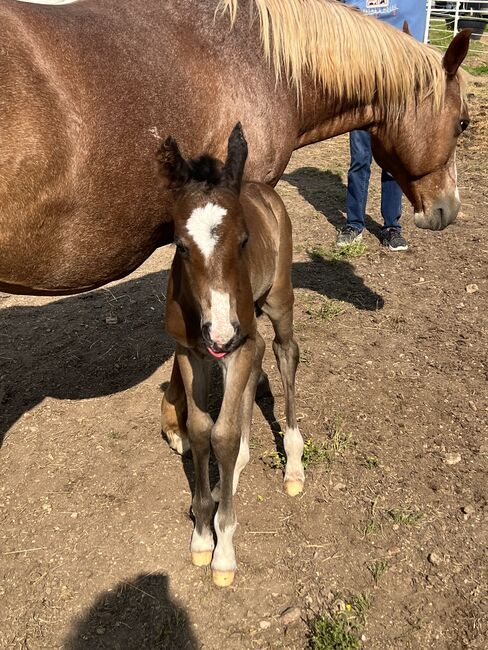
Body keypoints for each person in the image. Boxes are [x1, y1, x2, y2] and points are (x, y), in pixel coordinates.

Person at [336, 1, 428, 251]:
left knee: (391, 164)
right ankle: (354, 223)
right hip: (363, 94)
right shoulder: (355, 4)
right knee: (359, 161)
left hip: (395, 95)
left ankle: (391, 226)